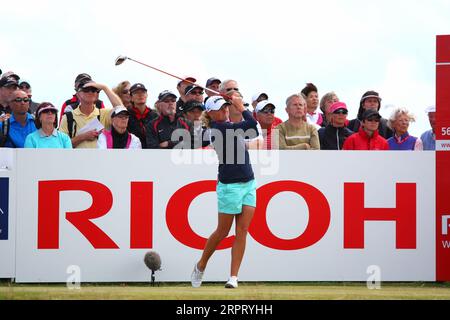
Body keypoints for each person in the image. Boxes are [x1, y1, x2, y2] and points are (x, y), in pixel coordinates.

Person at [191, 94, 258, 289]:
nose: (225, 110)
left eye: (226, 107)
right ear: (210, 113)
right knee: (222, 231)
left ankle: (233, 277)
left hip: (249, 182)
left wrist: (237, 105)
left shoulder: (228, 125)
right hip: (229, 186)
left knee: (242, 231)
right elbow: (252, 126)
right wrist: (241, 107)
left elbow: (251, 132)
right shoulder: (218, 128)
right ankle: (201, 265)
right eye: (221, 108)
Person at [59, 80, 122, 148]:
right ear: (78, 95)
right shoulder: (68, 117)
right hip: (76, 158)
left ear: (97, 95)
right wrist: (83, 137)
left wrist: (105, 88)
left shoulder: (104, 114)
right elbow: (61, 145)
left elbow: (121, 110)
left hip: (101, 158)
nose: (90, 92)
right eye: (86, 89)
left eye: (94, 90)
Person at [127, 83, 159, 148]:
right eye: (136, 93)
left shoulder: (155, 115)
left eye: (143, 92)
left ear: (146, 95)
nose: (140, 95)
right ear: (131, 98)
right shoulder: (126, 115)